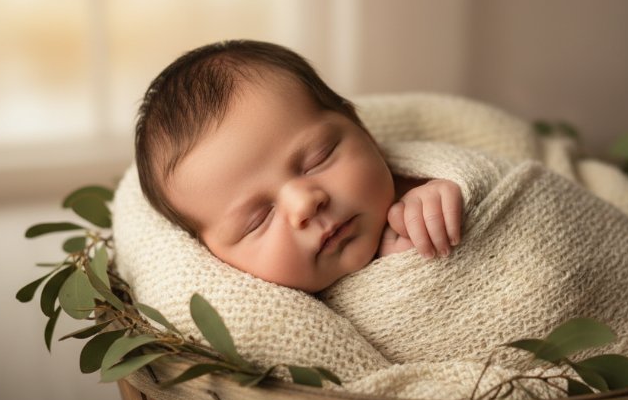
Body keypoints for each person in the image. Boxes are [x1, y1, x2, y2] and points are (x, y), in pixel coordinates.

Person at [135, 39, 463, 293]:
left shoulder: (420, 187)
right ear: (215, 258)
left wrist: (437, 198)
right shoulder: (272, 319)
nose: (304, 203)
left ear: (360, 129)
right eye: (257, 220)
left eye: (318, 159)